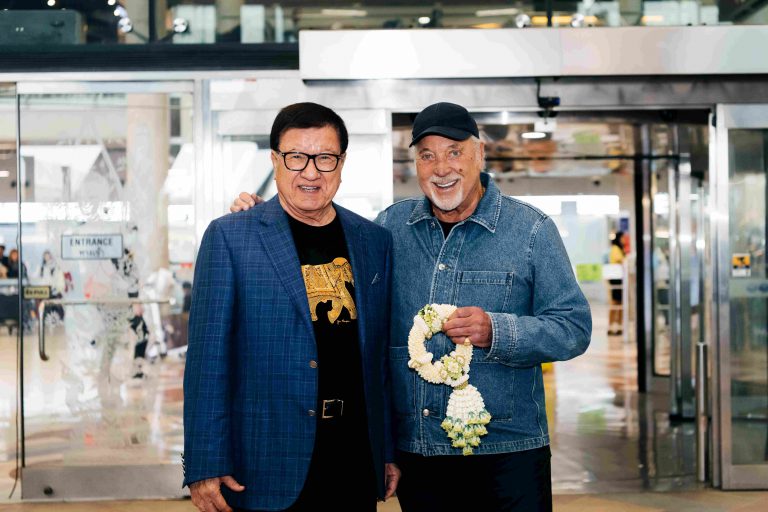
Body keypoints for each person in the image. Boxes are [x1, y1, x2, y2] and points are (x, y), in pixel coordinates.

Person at [231, 102, 591, 511]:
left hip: (507, 450)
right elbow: (326, 263)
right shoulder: (389, 229)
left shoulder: (530, 230)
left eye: (454, 152)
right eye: (427, 155)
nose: (441, 168)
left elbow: (573, 327)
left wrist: (497, 331)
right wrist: (266, 220)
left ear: (480, 154)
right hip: (418, 453)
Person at [184, 102, 400, 512]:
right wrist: (204, 461)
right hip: (265, 462)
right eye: (297, 157)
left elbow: (379, 361)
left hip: (353, 456)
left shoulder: (373, 240)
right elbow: (207, 363)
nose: (311, 172)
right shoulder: (232, 237)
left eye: (325, 158)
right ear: (275, 160)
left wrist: (385, 448)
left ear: (341, 163)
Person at [608, 231, 626, 335]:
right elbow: (621, 260)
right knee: (615, 303)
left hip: (620, 278)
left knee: (620, 304)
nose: (624, 240)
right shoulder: (615, 248)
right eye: (623, 238)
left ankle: (619, 326)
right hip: (616, 279)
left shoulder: (620, 249)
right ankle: (611, 326)